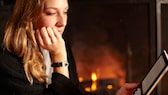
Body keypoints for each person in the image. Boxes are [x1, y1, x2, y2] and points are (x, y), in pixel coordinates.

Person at [0, 0, 138, 95]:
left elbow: (74, 91)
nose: (63, 22)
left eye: (65, 12)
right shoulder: (8, 56)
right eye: (51, 13)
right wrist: (59, 58)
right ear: (29, 16)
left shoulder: (60, 45)